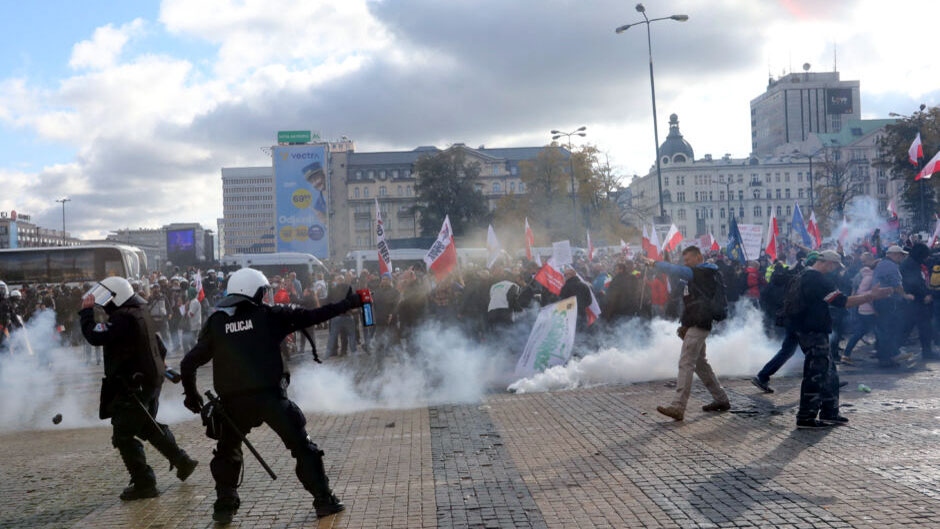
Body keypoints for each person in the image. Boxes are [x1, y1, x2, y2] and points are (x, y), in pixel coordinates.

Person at [179, 268, 362, 524]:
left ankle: (224, 506)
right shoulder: (270, 316)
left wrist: (192, 395)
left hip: (232, 404)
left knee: (226, 451)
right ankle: (324, 500)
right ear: (254, 292)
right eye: (263, 292)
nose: (266, 296)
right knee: (303, 448)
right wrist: (348, 303)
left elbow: (188, 362)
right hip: (271, 398)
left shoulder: (217, 323)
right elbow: (313, 315)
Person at [78, 276, 198, 500]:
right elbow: (158, 345)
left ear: (118, 297)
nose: (104, 304)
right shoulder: (139, 311)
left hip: (133, 385)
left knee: (123, 435)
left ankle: (145, 483)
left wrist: (86, 313)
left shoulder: (124, 317)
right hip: (148, 381)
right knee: (147, 426)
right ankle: (182, 460)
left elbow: (95, 336)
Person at [787, 250, 893, 428]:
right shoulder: (817, 279)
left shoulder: (802, 275)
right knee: (816, 374)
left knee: (829, 372)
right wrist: (871, 296)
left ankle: (830, 411)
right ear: (828, 262)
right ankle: (806, 416)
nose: (835, 269)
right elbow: (843, 302)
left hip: (807, 330)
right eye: (835, 265)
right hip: (813, 331)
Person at [641, 246, 730, 421]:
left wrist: (655, 263)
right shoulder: (703, 274)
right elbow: (692, 303)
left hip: (700, 323)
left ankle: (678, 406)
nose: (686, 263)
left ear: (698, 257)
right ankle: (721, 399)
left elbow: (677, 270)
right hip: (697, 323)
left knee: (686, 362)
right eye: (685, 260)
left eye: (688, 259)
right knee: (699, 363)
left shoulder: (703, 273)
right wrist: (686, 324)